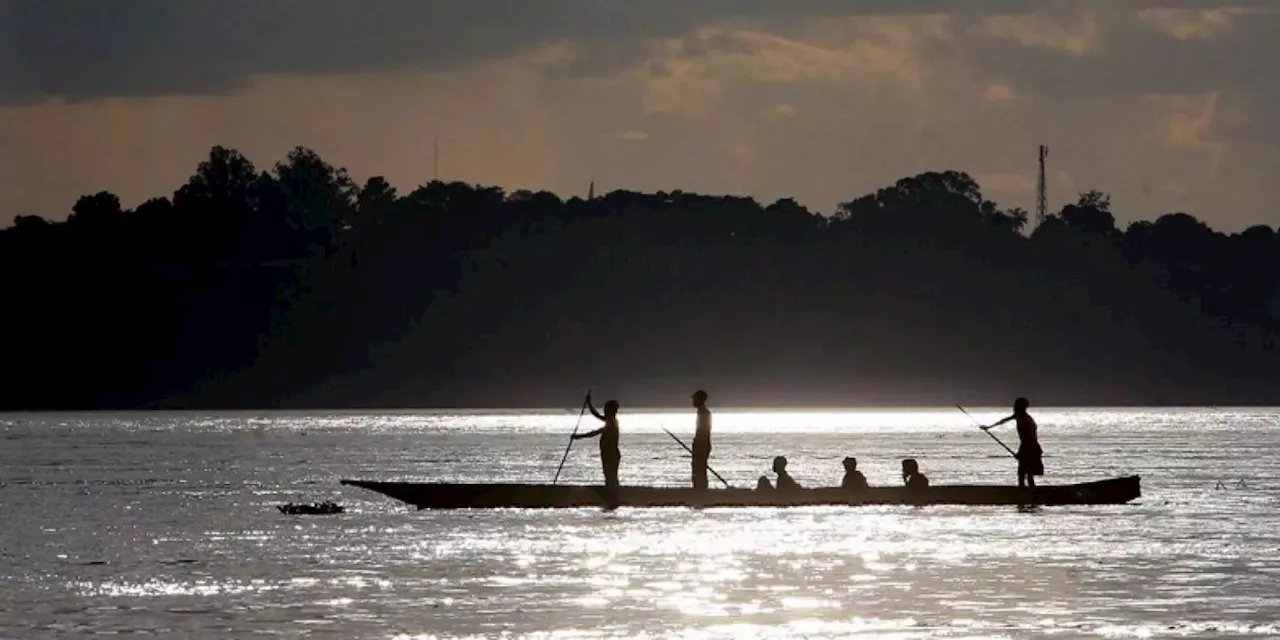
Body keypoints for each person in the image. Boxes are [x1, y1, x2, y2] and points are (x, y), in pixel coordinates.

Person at [983, 397, 1044, 488]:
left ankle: (1025, 493)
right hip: (1028, 446)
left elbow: (1030, 437)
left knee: (1024, 472)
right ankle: (1028, 492)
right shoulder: (1019, 416)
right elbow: (1004, 421)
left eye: (1016, 406)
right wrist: (989, 427)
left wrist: (1021, 452)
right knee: (1026, 472)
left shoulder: (1026, 419)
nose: (1014, 407)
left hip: (1030, 447)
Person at [572, 393, 621, 493]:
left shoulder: (612, 423)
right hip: (608, 453)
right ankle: (613, 494)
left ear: (610, 411)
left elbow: (595, 433)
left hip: (611, 454)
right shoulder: (610, 420)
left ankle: (614, 495)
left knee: (610, 476)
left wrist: (579, 437)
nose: (604, 411)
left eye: (606, 409)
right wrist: (589, 403)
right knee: (609, 476)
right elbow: (596, 414)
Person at [690, 389, 712, 490]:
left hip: (702, 445)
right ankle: (700, 489)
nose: (693, 401)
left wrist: (698, 445)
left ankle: (700, 490)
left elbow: (703, 431)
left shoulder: (704, 413)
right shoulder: (703, 413)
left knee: (699, 469)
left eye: (695, 399)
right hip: (702, 444)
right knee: (699, 468)